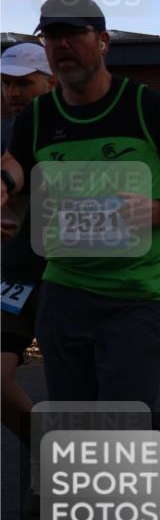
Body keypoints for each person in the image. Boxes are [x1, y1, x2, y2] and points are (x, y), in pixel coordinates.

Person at [0, 0, 160, 520]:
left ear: (102, 41)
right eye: (52, 36)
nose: (62, 45)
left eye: (73, 34)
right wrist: (5, 178)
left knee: (118, 424)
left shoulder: (145, 106)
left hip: (136, 294)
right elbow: (18, 164)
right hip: (65, 290)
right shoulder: (36, 118)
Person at [1, 42, 54, 447]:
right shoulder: (4, 133)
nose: (13, 92)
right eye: (6, 83)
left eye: (24, 82)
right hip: (16, 271)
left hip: (73, 272)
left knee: (81, 391)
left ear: (51, 82)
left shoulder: (82, 129)